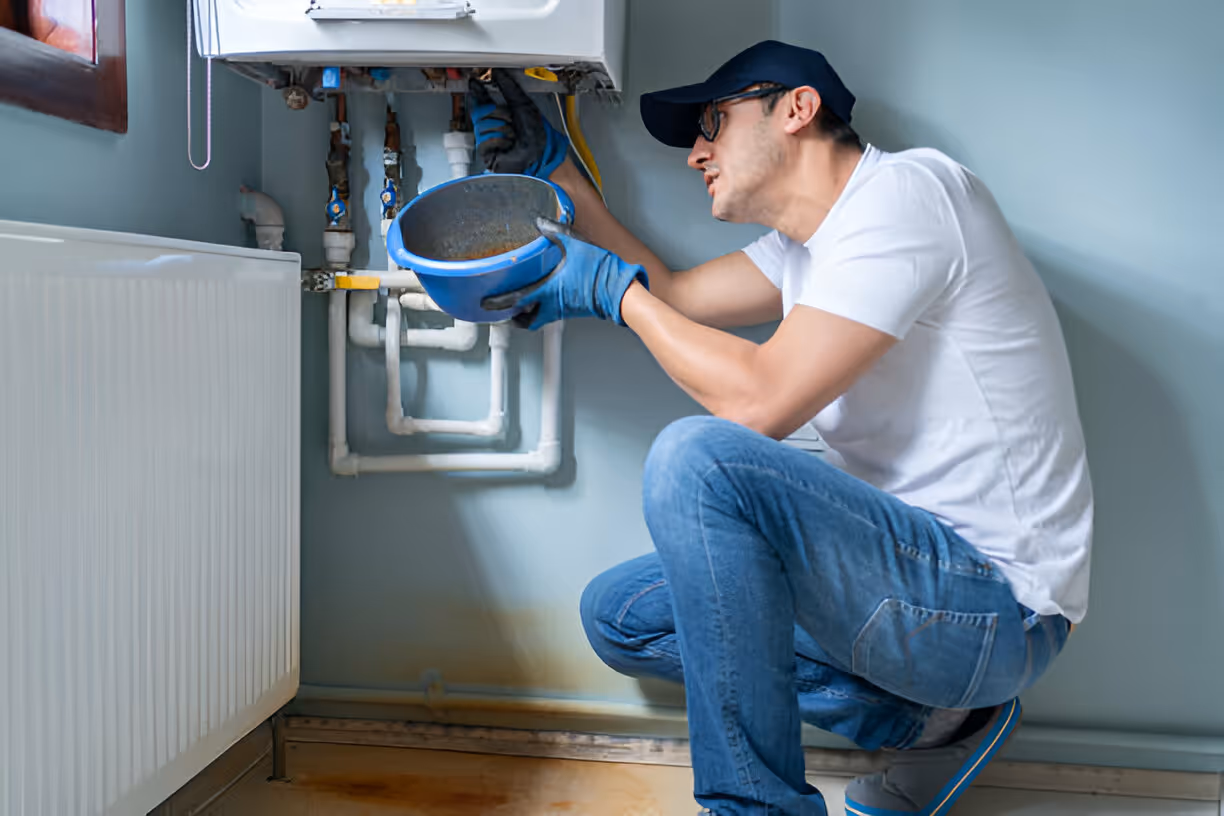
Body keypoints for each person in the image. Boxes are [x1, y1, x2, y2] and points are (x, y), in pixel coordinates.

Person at [468, 40, 1093, 816]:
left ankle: (754, 809)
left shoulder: (909, 194)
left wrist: (614, 297)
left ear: (797, 109)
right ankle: (940, 723)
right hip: (903, 585)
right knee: (621, 618)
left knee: (699, 458)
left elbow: (760, 402)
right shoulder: (807, 250)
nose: (697, 153)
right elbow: (675, 292)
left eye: (712, 122)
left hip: (992, 609)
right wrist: (558, 173)